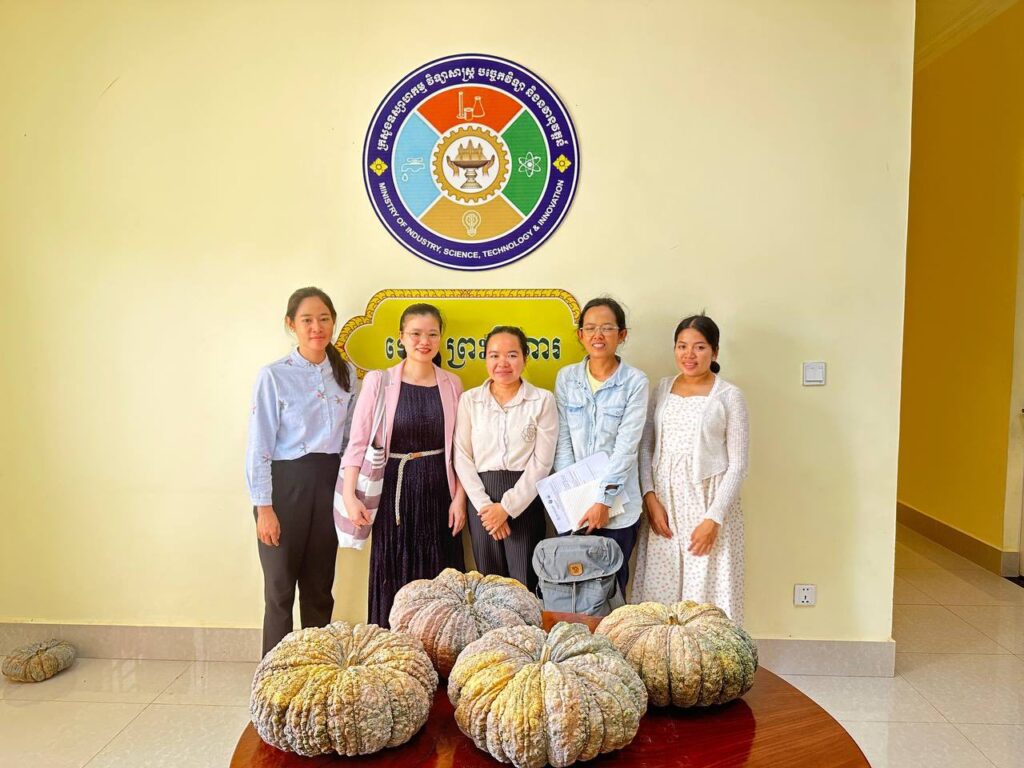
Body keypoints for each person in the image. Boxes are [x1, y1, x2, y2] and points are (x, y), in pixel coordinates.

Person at [246, 287, 357, 656]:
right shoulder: (274, 375)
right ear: (291, 324)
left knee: (319, 588)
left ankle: (315, 669)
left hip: (329, 484)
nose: (316, 327)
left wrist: (349, 492)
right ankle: (275, 676)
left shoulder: (346, 374)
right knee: (279, 591)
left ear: (333, 322)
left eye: (324, 319)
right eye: (307, 320)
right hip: (284, 488)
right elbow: (259, 446)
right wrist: (264, 507)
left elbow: (349, 440)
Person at [341, 303, 466, 627]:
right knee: (393, 572)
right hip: (392, 494)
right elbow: (358, 442)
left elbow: (462, 449)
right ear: (401, 337)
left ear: (441, 338)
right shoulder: (379, 381)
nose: (424, 341)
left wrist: (460, 499)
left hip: (440, 493)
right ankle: (391, 650)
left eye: (432, 334)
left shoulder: (452, 383)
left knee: (440, 580)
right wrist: (350, 496)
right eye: (415, 334)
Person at [634, 314, 749, 624]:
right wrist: (649, 498)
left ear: (715, 351)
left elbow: (738, 465)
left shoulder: (729, 396)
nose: (689, 354)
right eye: (682, 346)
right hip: (665, 504)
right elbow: (645, 447)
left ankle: (710, 655)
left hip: (707, 503)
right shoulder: (661, 389)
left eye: (699, 347)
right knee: (661, 598)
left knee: (705, 600)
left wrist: (714, 518)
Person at [554, 297, 649, 594]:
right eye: (590, 328)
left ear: (622, 334)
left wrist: (602, 501)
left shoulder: (635, 382)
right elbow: (563, 443)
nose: (598, 335)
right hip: (577, 510)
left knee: (611, 591)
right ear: (580, 334)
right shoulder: (567, 378)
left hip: (619, 509)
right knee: (573, 592)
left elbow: (626, 448)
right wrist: (578, 500)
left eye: (607, 328)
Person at [454, 326, 557, 592]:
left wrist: (507, 508)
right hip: (482, 501)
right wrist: (486, 508)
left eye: (512, 355)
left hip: (525, 498)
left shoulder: (542, 400)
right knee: (488, 584)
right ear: (485, 359)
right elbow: (462, 456)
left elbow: (542, 463)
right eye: (494, 355)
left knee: (525, 583)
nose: (503, 363)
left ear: (525, 358)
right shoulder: (470, 400)